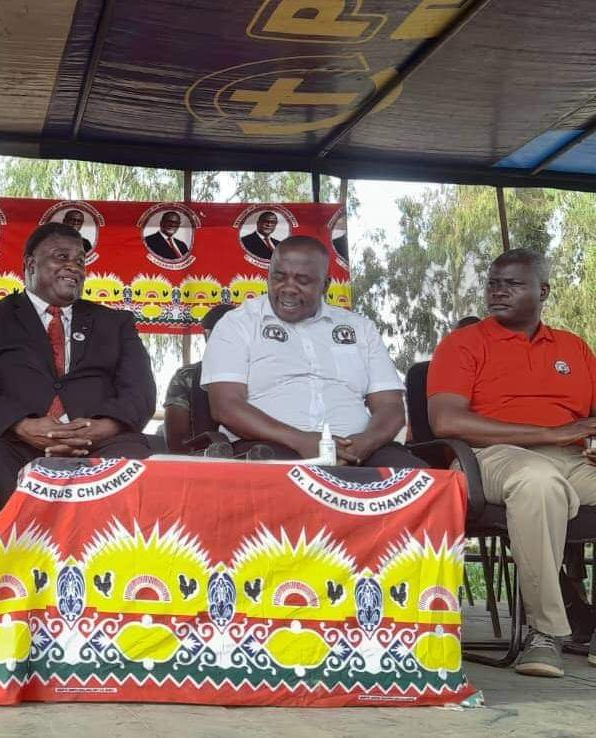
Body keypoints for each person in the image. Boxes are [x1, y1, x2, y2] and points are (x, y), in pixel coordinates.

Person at [427, 248, 596, 678]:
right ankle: (546, 633)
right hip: (489, 456)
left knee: (547, 478)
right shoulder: (463, 344)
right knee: (538, 483)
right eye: (492, 283)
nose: (497, 291)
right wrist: (550, 433)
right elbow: (447, 421)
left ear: (543, 291)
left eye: (512, 284)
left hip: (571, 458)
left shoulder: (574, 348)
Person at [0, 222, 156, 542]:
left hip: (99, 442)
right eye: (61, 257)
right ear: (30, 264)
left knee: (134, 459)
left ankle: (112, 567)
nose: (74, 266)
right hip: (14, 441)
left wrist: (103, 427)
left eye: (80, 261)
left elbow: (140, 390)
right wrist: (20, 425)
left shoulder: (116, 323)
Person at [202, 236, 422, 467]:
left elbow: (390, 407)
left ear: (325, 285)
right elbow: (226, 406)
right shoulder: (237, 324)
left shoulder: (360, 329)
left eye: (303, 280)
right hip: (269, 449)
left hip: (360, 451)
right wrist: (302, 441)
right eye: (278, 277)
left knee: (420, 479)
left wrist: (363, 444)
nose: (288, 288)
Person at [163, 304, 236, 453]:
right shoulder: (187, 377)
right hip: (202, 458)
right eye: (219, 335)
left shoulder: (260, 374)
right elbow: (177, 441)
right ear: (206, 336)